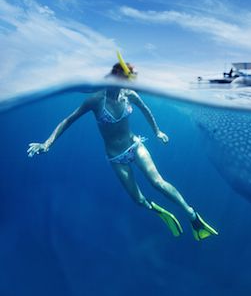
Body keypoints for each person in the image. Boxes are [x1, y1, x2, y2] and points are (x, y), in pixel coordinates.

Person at [27, 61, 217, 241]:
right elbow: (69, 120)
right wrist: (47, 143)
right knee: (138, 199)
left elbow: (145, 109)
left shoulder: (130, 95)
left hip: (135, 145)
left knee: (157, 182)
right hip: (116, 157)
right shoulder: (95, 100)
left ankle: (192, 216)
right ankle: (159, 211)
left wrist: (157, 131)